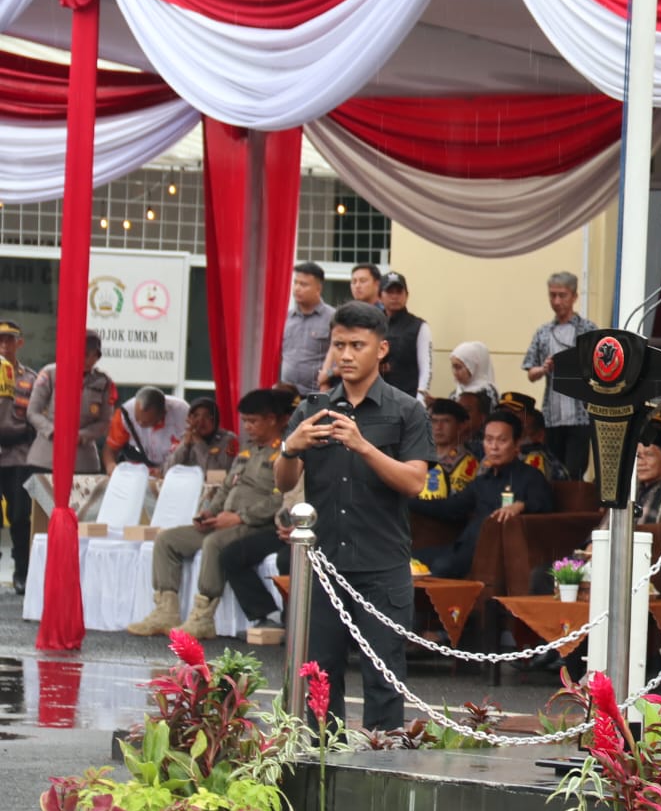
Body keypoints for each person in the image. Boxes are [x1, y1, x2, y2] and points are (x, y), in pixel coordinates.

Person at [275, 301, 433, 731]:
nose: (345, 355)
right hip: (323, 565)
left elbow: (414, 482)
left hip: (381, 566)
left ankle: (384, 762)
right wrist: (290, 447)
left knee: (384, 678)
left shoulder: (406, 410)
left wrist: (363, 446)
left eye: (356, 346)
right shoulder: (313, 409)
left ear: (381, 349)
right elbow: (283, 480)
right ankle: (320, 759)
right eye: (339, 345)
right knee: (319, 678)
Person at [127, 389, 292, 639]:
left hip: (257, 526)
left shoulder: (285, 454)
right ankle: (165, 611)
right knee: (167, 540)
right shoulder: (248, 450)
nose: (247, 427)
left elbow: (281, 499)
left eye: (253, 421)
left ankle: (203, 617)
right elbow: (226, 487)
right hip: (224, 520)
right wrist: (209, 512)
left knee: (214, 543)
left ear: (272, 419)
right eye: (245, 421)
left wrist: (240, 517)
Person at [412, 409, 552, 580]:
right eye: (489, 440)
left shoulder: (530, 476)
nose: (494, 447)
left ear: (516, 444)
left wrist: (521, 505)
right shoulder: (482, 482)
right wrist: (406, 500)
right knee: (410, 560)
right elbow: (450, 507)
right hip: (462, 548)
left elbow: (544, 503)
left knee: (442, 566)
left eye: (502, 440)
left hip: (489, 555)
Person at [521, 271, 598, 480]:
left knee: (574, 473)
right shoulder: (543, 332)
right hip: (552, 415)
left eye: (562, 295)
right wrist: (544, 368)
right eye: (552, 295)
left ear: (574, 296)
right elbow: (531, 372)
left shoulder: (588, 329)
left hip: (580, 414)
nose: (557, 301)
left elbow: (600, 367)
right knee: (553, 471)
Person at [27, 332, 115, 475]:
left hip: (84, 461)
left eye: (94, 356)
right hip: (46, 457)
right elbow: (33, 412)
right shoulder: (51, 373)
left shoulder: (104, 382)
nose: (90, 360)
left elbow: (105, 421)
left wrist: (82, 435)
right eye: (85, 354)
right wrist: (54, 432)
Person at [0, 320, 37, 593]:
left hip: (18, 455)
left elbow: (37, 417)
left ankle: (22, 572)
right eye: (1, 339)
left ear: (19, 343)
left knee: (20, 516)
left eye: (10, 339)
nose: (4, 344)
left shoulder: (31, 379)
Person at [102, 386, 189, 472]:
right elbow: (110, 449)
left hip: (176, 468)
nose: (140, 423)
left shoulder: (183, 413)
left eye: (146, 422)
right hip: (140, 468)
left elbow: (193, 448)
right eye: (137, 418)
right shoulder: (125, 414)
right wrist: (111, 466)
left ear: (163, 413)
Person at [281, 261, 334, 395]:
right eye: (296, 283)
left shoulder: (333, 318)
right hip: (286, 393)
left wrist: (328, 375)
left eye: (303, 284)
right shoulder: (286, 317)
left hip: (316, 393)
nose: (297, 288)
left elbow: (338, 355)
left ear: (318, 289)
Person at [378, 272, 432, 402]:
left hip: (407, 399)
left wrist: (420, 398)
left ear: (407, 295)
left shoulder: (419, 326)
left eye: (399, 292)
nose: (394, 296)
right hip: (377, 397)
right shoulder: (372, 324)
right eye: (390, 292)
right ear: (380, 296)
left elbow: (426, 367)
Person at [497, 391, 570, 480]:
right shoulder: (497, 452)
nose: (506, 419)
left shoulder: (535, 457)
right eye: (504, 414)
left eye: (514, 413)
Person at [419, 398, 479, 499]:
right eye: (434, 421)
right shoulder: (419, 456)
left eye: (446, 421)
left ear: (461, 426)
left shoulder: (468, 463)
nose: (438, 427)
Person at [163, 397, 239, 472]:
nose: (201, 421)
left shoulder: (228, 440)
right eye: (196, 415)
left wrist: (199, 443)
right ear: (189, 418)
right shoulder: (186, 437)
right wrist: (184, 445)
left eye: (207, 416)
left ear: (215, 419)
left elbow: (219, 474)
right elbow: (166, 471)